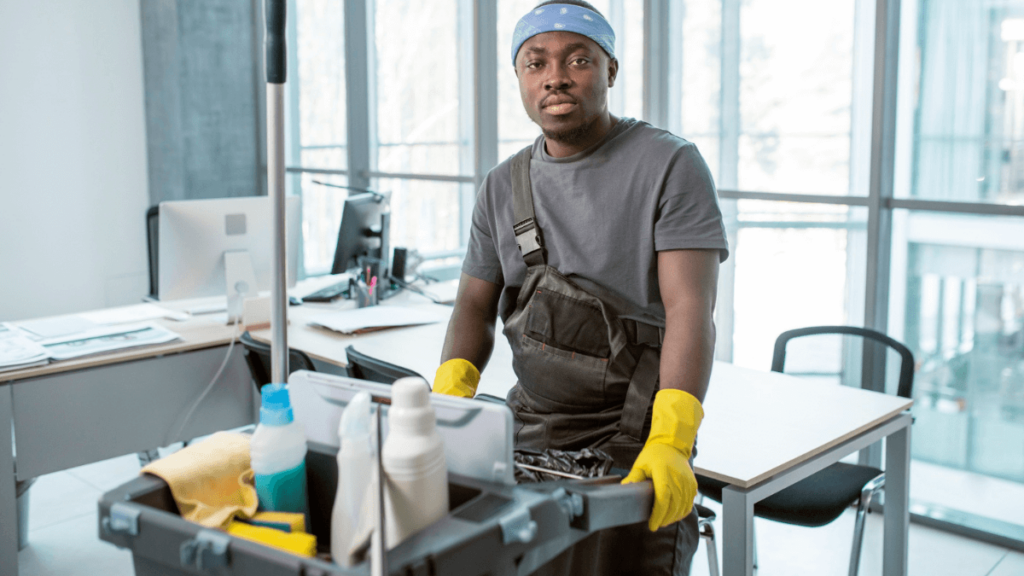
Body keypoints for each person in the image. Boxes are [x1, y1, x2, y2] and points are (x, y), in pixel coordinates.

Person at [433, 1, 729, 574]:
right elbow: (473, 305)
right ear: (519, 78)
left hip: (638, 430)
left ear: (610, 69)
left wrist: (672, 438)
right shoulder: (502, 186)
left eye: (578, 59)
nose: (555, 77)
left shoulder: (669, 164)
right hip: (532, 427)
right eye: (535, 63)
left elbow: (691, 308)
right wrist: (445, 407)